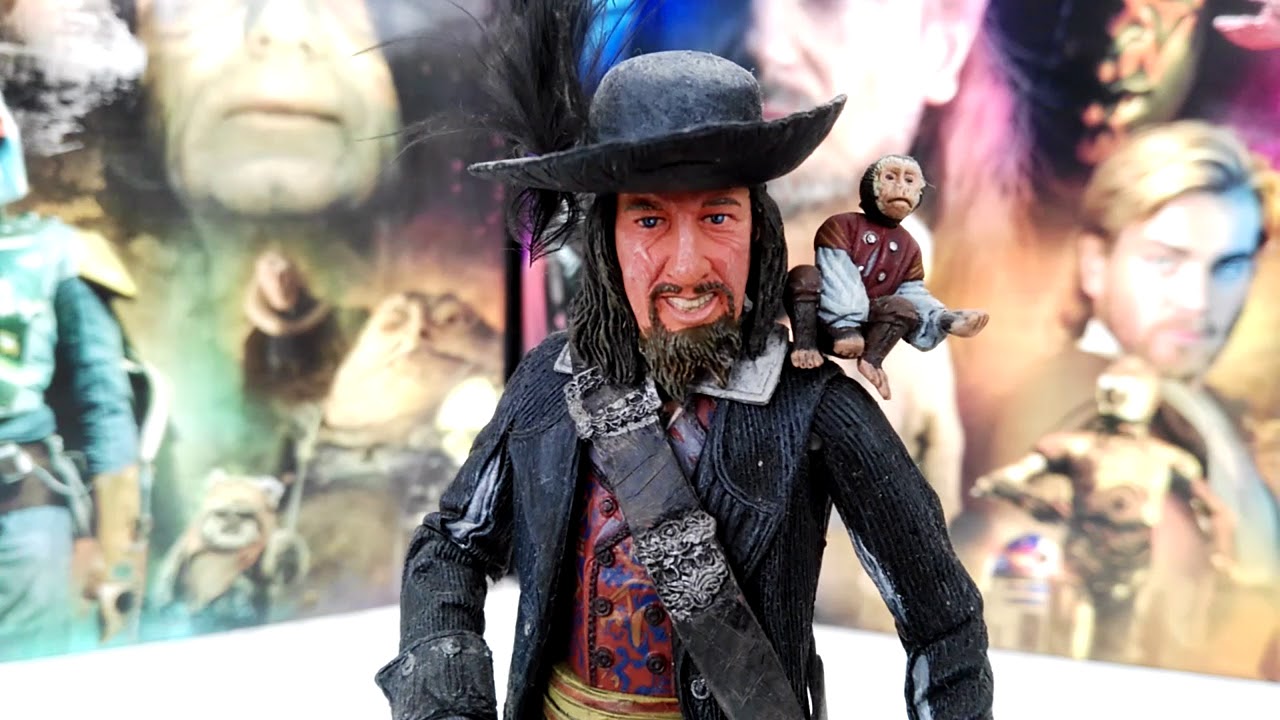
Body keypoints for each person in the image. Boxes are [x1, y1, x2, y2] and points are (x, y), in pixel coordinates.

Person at [375, 2, 994, 719]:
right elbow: (451, 547)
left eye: (718, 217)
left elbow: (943, 620)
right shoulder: (549, 384)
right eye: (649, 220)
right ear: (606, 241)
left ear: (757, 231)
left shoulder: (816, 408)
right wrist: (448, 702)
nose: (688, 266)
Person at [952, 120, 1280, 678]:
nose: (1198, 300)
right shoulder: (1071, 396)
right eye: (1165, 260)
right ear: (1095, 265)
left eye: (1228, 267)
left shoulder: (1206, 409)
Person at [0, 90, 142, 661]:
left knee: (26, 680)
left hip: (19, 509)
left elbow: (106, 400)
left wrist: (115, 558)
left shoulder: (55, 251)